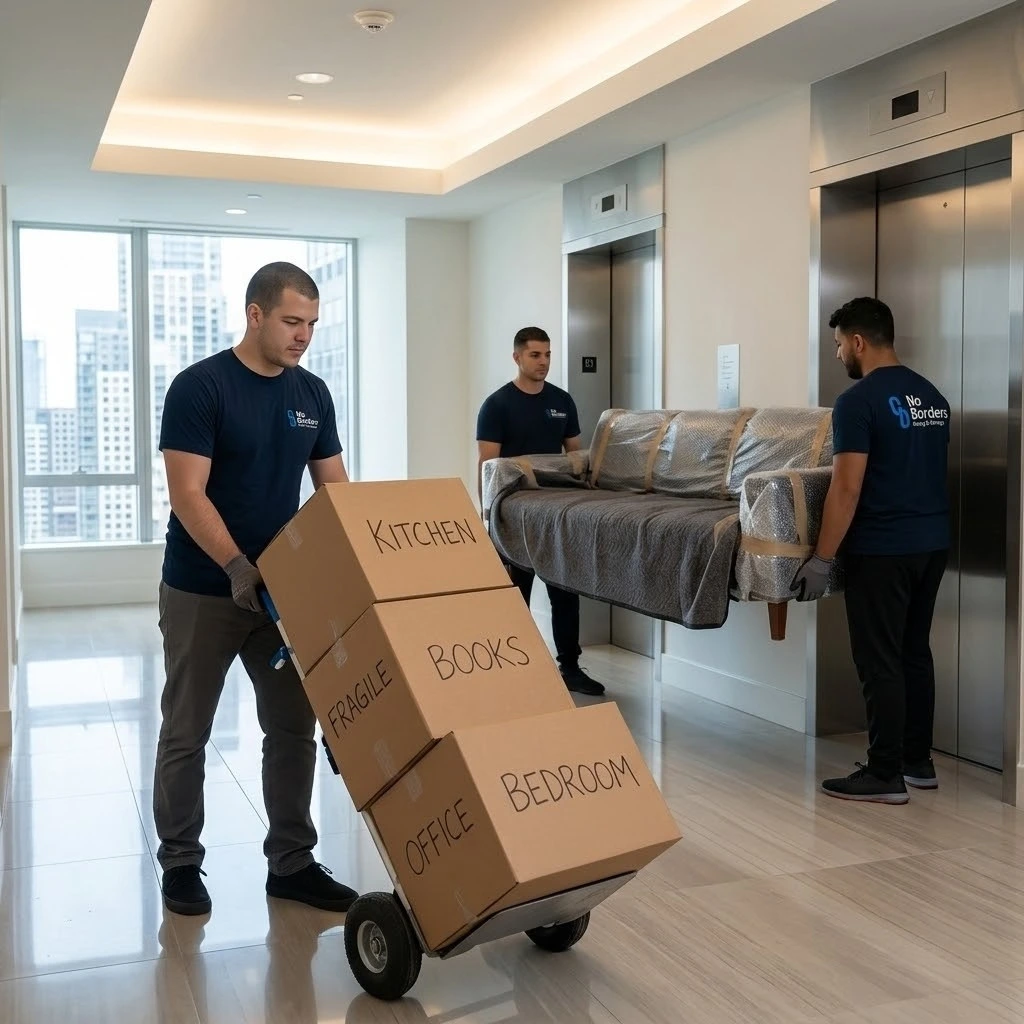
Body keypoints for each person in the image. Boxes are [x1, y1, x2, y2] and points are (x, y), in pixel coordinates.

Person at [154, 262, 359, 916]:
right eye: (292, 321)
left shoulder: (312, 394)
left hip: (282, 594)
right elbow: (188, 494)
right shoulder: (201, 387)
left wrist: (364, 556)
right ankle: (180, 862)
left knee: (293, 728)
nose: (304, 336)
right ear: (255, 315)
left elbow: (335, 491)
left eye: (312, 324)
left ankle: (291, 862)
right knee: (187, 730)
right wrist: (237, 565)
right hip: (203, 588)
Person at [792, 296, 950, 805]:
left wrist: (821, 559)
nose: (838, 354)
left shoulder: (857, 401)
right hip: (932, 544)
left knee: (879, 658)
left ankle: (884, 773)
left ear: (858, 341)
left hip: (883, 549)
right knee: (913, 652)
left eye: (839, 344)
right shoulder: (932, 396)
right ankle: (917, 761)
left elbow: (846, 487)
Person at [476, 326, 605, 698]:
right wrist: (486, 517)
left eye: (547, 354)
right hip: (512, 516)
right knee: (514, 595)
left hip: (555, 516)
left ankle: (570, 668)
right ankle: (511, 668)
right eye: (535, 355)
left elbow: (576, 460)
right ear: (517, 357)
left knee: (565, 592)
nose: (543, 362)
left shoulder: (562, 401)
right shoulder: (497, 405)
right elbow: (487, 466)